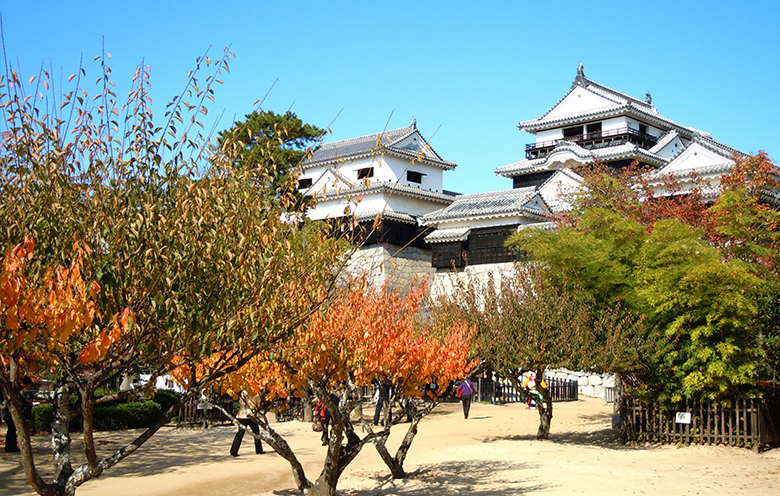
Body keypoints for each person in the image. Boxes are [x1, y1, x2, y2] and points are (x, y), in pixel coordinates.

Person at [230, 391, 264, 457]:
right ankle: (258, 449)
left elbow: (241, 403)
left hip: (242, 414)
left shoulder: (243, 393)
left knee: (240, 433)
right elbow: (259, 405)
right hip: (251, 414)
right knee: (256, 432)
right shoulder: (256, 394)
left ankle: (234, 450)